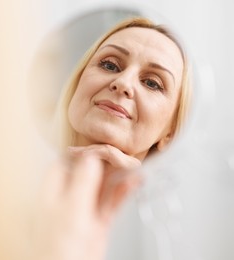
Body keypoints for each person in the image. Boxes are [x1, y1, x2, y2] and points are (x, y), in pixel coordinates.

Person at [31, 17, 192, 260]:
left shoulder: (162, 233)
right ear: (77, 83)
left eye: (151, 83)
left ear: (170, 132)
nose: (123, 83)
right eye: (110, 65)